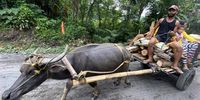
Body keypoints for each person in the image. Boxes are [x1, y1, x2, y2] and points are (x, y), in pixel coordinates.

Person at [143, 5, 183, 74]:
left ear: (176, 12)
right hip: (159, 37)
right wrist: (150, 35)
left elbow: (174, 33)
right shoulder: (161, 20)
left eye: (173, 10)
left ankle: (175, 65)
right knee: (151, 42)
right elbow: (154, 29)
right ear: (168, 11)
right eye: (170, 10)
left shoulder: (176, 22)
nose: (171, 11)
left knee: (179, 48)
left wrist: (172, 33)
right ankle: (150, 58)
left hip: (169, 39)